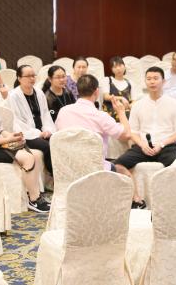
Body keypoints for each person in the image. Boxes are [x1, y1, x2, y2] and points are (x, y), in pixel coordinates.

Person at [56, 74, 145, 207]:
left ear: (78, 91)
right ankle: (136, 202)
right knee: (122, 170)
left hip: (67, 169)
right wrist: (121, 112)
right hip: (94, 171)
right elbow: (126, 135)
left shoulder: (63, 112)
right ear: (97, 92)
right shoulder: (100, 116)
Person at [0, 74, 50, 213]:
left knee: (35, 154)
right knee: (28, 157)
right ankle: (34, 199)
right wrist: (8, 140)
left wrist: (12, 136)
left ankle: (34, 194)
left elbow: (0, 129)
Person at [114, 67, 176, 188]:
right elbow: (133, 132)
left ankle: (168, 195)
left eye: (156, 78)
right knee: (117, 165)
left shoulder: (175, 104)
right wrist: (142, 145)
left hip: (166, 147)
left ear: (163, 82)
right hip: (143, 147)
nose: (152, 82)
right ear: (145, 82)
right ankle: (135, 195)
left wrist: (161, 144)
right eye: (149, 79)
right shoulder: (138, 105)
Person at [7, 65, 55, 174]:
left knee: (58, 141)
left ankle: (63, 173)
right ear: (19, 78)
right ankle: (54, 175)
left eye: (33, 75)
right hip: (26, 134)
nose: (32, 78)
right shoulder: (13, 96)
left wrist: (47, 130)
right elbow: (17, 121)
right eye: (28, 76)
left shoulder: (39, 93)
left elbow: (45, 114)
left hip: (43, 131)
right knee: (46, 146)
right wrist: (38, 133)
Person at [101, 56, 139, 122]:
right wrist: (121, 98)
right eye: (115, 67)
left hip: (126, 111)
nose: (118, 69)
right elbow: (106, 97)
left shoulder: (130, 83)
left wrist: (129, 106)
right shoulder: (108, 80)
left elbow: (134, 100)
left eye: (120, 66)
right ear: (112, 69)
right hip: (111, 111)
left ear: (124, 67)